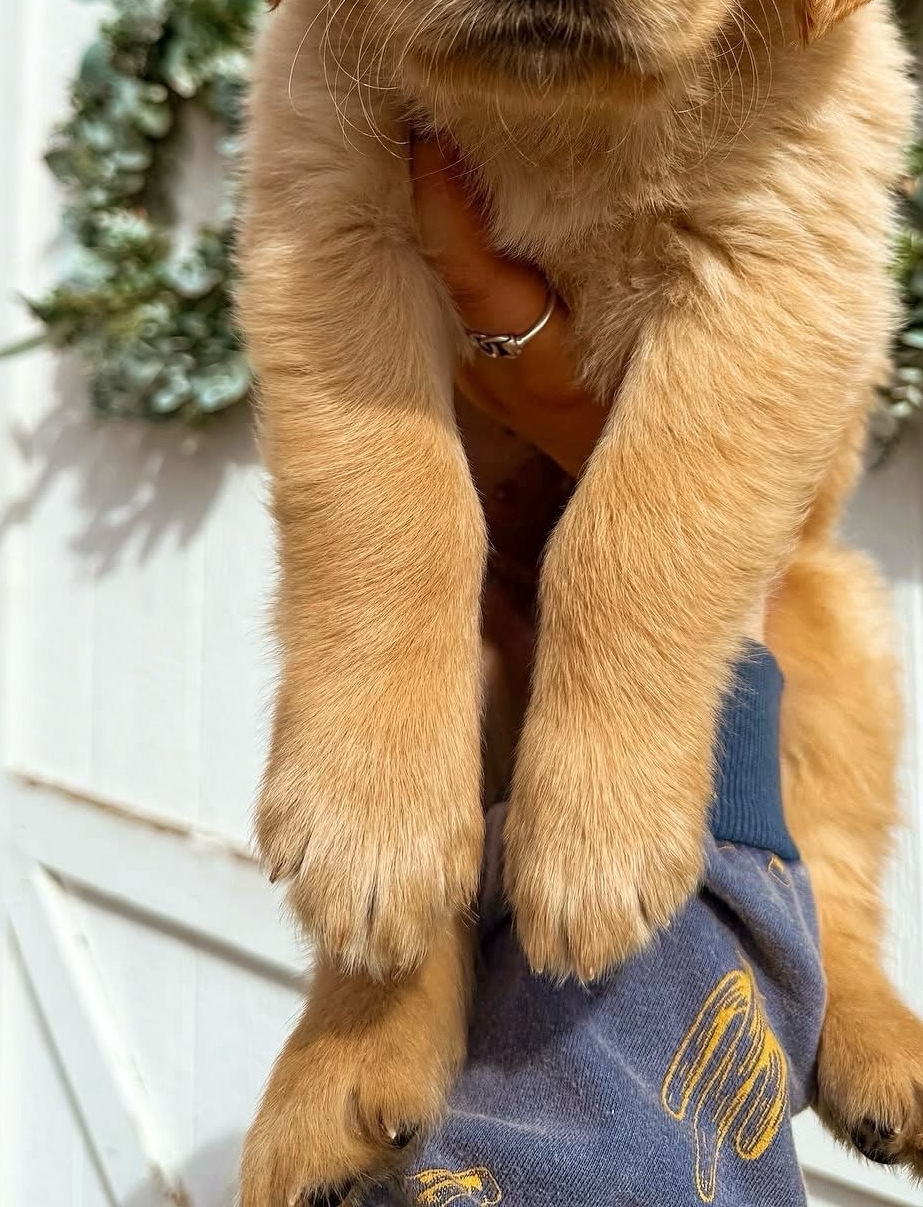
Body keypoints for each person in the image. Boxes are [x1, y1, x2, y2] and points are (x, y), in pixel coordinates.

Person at [338, 141, 824, 1207]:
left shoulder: (799, 91)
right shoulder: (333, 65)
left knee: (824, 620)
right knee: (384, 810)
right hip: (498, 586)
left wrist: (627, 676)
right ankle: (376, 1008)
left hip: (652, 582)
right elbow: (330, 258)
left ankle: (856, 1000)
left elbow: (790, 296)